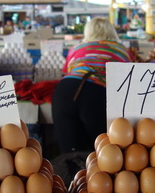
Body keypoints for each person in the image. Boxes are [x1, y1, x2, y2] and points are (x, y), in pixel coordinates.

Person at [52, 17, 131, 153]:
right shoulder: (121, 50)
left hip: (65, 90)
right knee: (102, 153)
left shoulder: (76, 48)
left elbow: (66, 71)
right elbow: (127, 81)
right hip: (95, 92)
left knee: (70, 154)